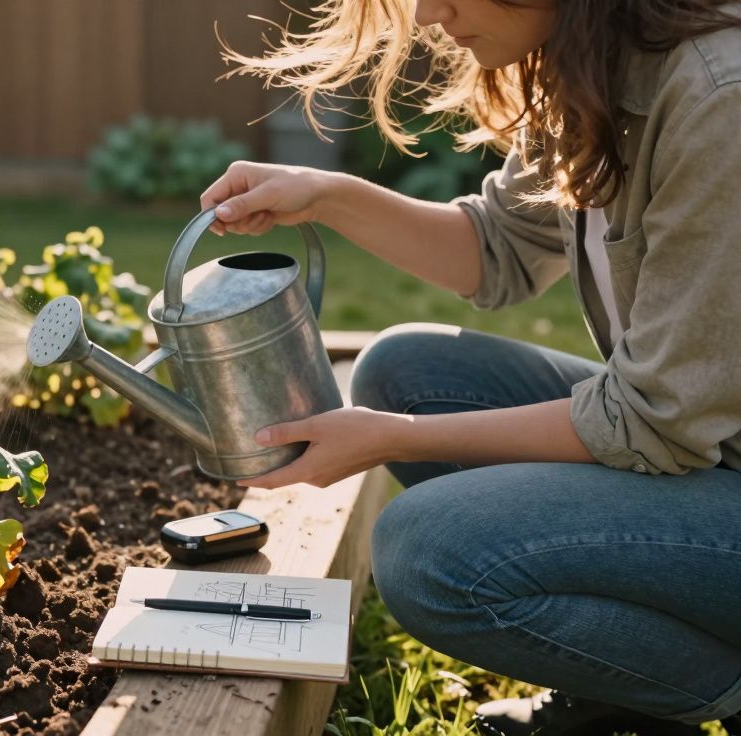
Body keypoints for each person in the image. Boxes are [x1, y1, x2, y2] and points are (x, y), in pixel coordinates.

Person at [199, 1, 741, 734]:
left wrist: (392, 438)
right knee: (407, 370)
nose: (428, 15)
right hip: (704, 453)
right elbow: (497, 251)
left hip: (704, 458)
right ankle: (632, 692)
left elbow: (654, 421)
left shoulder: (718, 97)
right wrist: (324, 195)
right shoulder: (596, 63)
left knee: (429, 552)